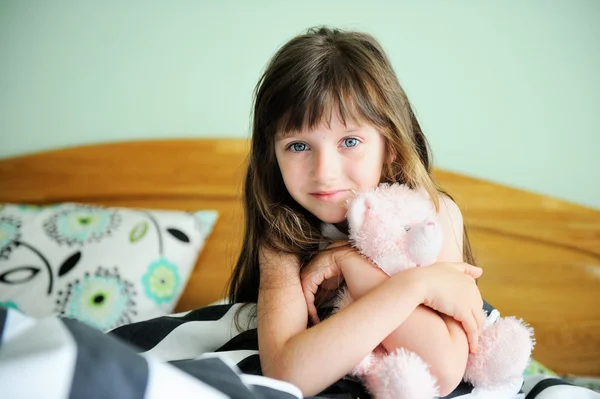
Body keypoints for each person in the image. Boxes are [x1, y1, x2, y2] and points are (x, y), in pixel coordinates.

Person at [227, 26, 485, 397]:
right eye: (298, 146)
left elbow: (440, 372)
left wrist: (353, 266)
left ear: (391, 146)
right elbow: (287, 375)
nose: (324, 171)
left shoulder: (429, 216)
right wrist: (418, 285)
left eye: (349, 141)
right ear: (273, 156)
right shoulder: (283, 235)